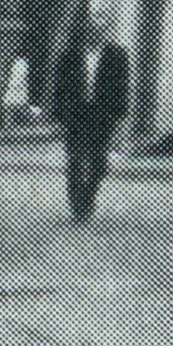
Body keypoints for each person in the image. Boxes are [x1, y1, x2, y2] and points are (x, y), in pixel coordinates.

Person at [50, 14, 131, 222]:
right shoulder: (70, 55)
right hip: (76, 115)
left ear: (104, 32)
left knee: (98, 161)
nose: (94, 33)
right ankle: (77, 202)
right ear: (85, 32)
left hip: (102, 114)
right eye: (91, 29)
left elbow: (122, 86)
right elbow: (60, 87)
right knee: (74, 158)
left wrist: (119, 113)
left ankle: (89, 193)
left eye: (99, 29)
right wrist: (60, 113)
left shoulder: (117, 55)